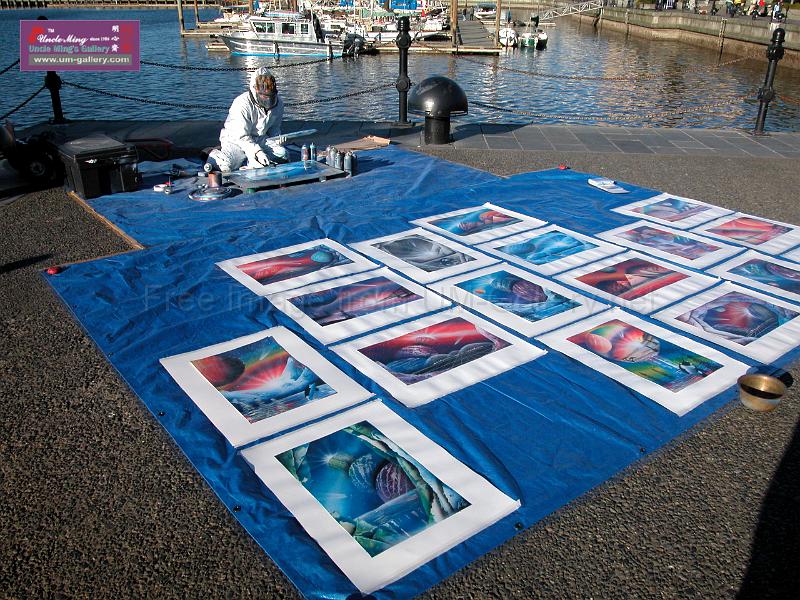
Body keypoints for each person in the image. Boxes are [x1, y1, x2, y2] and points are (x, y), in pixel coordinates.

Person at [206, 67, 287, 172]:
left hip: (260, 139)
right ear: (256, 90)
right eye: (263, 96)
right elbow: (242, 137)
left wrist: (277, 139)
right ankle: (211, 153)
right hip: (236, 140)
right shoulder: (242, 104)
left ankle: (252, 162)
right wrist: (257, 152)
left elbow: (274, 128)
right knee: (226, 165)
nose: (267, 99)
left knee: (282, 155)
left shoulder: (279, 103)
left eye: (269, 96)